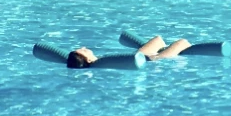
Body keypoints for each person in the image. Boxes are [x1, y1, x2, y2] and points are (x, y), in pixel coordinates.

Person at [66, 35, 194, 68]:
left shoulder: (100, 62)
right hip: (153, 60)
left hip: (141, 56)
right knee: (182, 42)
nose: (84, 47)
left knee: (158, 40)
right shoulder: (99, 64)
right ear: (88, 60)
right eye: (82, 50)